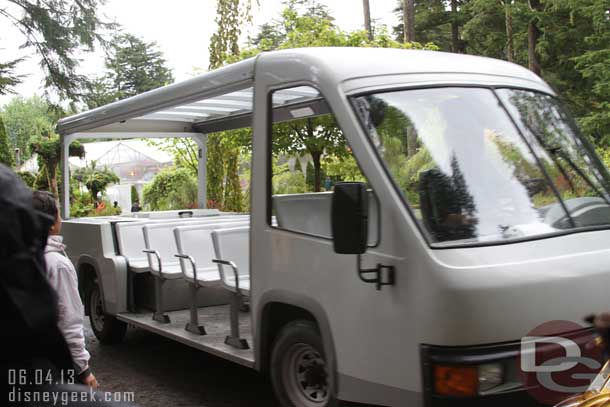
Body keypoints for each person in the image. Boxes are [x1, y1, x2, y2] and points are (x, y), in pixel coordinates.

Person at [32, 190, 98, 388]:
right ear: (52, 223)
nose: (61, 218)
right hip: (58, 364)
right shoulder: (57, 264)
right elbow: (69, 319)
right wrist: (84, 369)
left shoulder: (24, 257)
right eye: (59, 213)